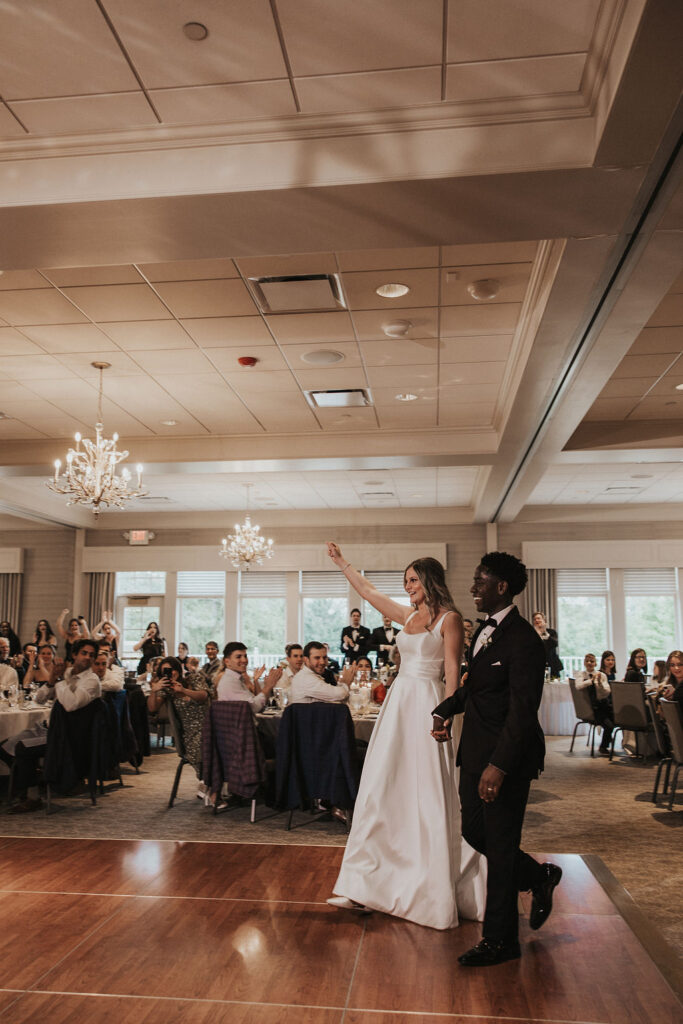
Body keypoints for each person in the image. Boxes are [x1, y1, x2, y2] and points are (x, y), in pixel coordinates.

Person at [325, 542, 486, 930]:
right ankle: (365, 882)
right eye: (406, 581)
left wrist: (445, 714)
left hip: (428, 702)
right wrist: (341, 562)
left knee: (427, 788)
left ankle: (429, 887)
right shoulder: (408, 615)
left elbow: (451, 670)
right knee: (382, 786)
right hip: (399, 704)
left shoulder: (448, 619)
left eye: (413, 580)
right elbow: (369, 592)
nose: (408, 586)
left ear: (429, 579)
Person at [432, 551, 560, 966]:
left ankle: (500, 940)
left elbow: (523, 710)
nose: (472, 589)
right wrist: (447, 707)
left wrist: (499, 765)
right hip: (474, 753)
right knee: (474, 832)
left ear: (501, 586)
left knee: (501, 847)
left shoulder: (524, 640)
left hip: (505, 759)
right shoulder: (485, 633)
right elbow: (478, 688)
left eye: (479, 581)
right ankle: (539, 877)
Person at [147, 655, 212, 793]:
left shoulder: (194, 679)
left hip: (210, 724)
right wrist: (154, 690)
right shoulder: (166, 690)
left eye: (171, 670)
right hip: (190, 732)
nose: (170, 674)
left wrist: (183, 690)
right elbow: (152, 708)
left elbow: (203, 696)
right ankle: (207, 783)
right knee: (202, 742)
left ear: (178, 669)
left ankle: (212, 784)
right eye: (164, 672)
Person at [215, 642, 282, 711]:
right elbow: (252, 708)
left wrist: (267, 685)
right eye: (238, 657)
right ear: (227, 662)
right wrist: (268, 687)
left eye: (245, 656)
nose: (244, 660)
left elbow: (256, 703)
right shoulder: (229, 681)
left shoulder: (237, 679)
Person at [574, 652, 614, 755]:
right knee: (609, 725)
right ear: (584, 663)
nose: (589, 663)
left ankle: (608, 740)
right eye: (587, 661)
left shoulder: (602, 675)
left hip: (603, 705)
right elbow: (578, 686)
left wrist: (599, 683)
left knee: (616, 718)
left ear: (595, 663)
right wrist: (591, 681)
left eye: (592, 661)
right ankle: (603, 747)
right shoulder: (581, 675)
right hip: (592, 708)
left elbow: (606, 692)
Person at [532, 611, 563, 678]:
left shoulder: (552, 632)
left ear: (544, 620)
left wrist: (545, 633)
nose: (536, 620)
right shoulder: (531, 634)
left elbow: (555, 644)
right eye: (534, 619)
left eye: (538, 618)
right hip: (537, 666)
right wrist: (537, 634)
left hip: (553, 665)